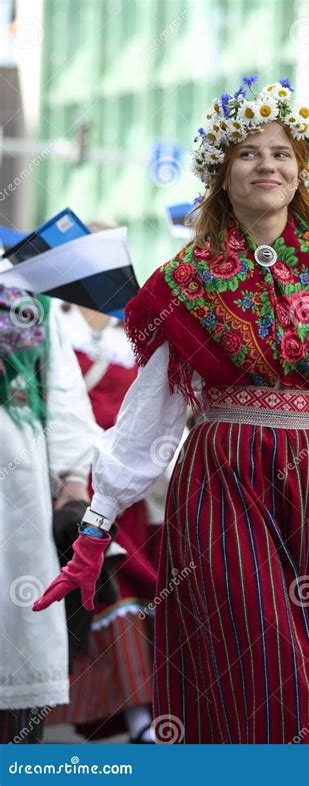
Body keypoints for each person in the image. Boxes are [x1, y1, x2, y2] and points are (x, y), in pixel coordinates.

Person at [34, 76, 309, 744]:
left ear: (302, 170)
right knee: (261, 657)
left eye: (282, 153)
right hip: (221, 475)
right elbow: (151, 412)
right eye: (248, 153)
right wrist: (96, 525)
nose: (267, 164)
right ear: (220, 173)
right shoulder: (182, 279)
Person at [44, 303, 162, 743]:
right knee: (81, 591)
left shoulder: (137, 333)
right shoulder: (54, 319)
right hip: (68, 480)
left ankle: (141, 718)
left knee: (126, 586)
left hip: (121, 481)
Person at [0, 284, 99, 744]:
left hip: (14, 482)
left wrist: (74, 478)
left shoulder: (21, 280)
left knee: (13, 632)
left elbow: (60, 386)